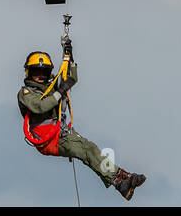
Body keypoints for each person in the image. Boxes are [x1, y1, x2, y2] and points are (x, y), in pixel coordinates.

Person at [19, 40, 148, 201]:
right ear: (28, 73)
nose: (40, 77)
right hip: (46, 139)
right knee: (85, 150)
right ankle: (118, 180)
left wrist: (69, 58)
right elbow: (40, 106)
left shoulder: (53, 87)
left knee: (90, 149)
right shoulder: (26, 93)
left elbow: (71, 79)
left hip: (59, 132)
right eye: (36, 72)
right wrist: (60, 92)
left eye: (43, 73)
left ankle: (121, 179)